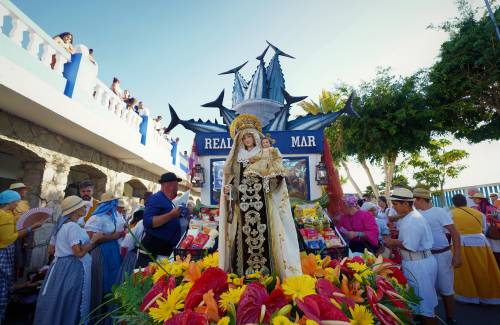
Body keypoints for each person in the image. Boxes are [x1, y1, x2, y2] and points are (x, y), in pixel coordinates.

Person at [219, 114, 302, 278]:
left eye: (249, 136)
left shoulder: (266, 155)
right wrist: (229, 191)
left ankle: (270, 276)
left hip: (264, 208)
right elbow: (233, 184)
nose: (247, 139)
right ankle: (243, 277)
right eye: (244, 137)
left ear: (255, 137)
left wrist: (271, 181)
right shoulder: (237, 161)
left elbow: (278, 177)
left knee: (268, 239)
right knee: (241, 241)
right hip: (242, 212)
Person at [34, 196, 103, 325]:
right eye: (82, 206)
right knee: (69, 300)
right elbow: (79, 253)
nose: (85, 208)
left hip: (59, 267)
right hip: (72, 268)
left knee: (57, 299)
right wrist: (94, 240)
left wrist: (63, 249)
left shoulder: (62, 225)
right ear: (75, 210)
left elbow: (51, 250)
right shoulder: (72, 227)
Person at [383, 188, 438, 325]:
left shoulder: (413, 220)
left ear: (406, 204)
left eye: (395, 204)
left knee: (425, 306)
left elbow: (409, 245)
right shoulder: (410, 217)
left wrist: (392, 242)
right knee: (419, 302)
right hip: (416, 262)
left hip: (419, 264)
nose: (394, 208)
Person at [413, 188, 462, 324]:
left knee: (446, 288)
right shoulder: (416, 214)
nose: (413, 203)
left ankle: (450, 317)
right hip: (425, 257)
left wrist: (457, 255)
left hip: (442, 255)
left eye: (414, 200)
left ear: (421, 200)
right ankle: (428, 316)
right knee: (427, 289)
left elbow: (455, 233)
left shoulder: (439, 212)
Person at [0, 190, 42, 323]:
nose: (18, 204)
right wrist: (31, 228)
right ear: (10, 202)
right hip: (3, 253)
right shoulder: (4, 216)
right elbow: (9, 238)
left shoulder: (7, 213)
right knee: (3, 282)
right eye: (16, 201)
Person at [450, 194, 500, 305]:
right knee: (482, 269)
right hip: (480, 243)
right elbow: (484, 228)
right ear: (465, 202)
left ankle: (468, 296)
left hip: (460, 244)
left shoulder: (450, 214)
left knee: (464, 272)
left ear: (454, 203)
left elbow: (449, 231)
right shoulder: (479, 213)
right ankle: (488, 296)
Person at [84, 194, 125, 323]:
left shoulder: (111, 217)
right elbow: (92, 237)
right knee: (101, 280)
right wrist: (113, 237)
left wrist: (115, 236)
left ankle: (108, 315)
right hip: (101, 252)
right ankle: (97, 315)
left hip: (112, 251)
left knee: (112, 280)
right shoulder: (96, 218)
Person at [135, 172, 183, 268]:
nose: (177, 187)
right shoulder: (156, 199)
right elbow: (148, 222)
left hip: (164, 249)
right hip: (153, 250)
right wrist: (171, 215)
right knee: (148, 279)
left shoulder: (168, 201)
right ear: (170, 185)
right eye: (176, 184)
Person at [470, 192, 500, 265]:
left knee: (496, 249)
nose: (473, 200)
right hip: (487, 231)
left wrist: (490, 218)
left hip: (492, 231)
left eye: (474, 199)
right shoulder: (479, 208)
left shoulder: (490, 208)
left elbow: (498, 218)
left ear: (479, 199)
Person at [9, 183, 31, 278]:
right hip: (15, 231)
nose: (25, 191)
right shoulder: (10, 203)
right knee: (15, 256)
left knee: (23, 254)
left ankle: (17, 277)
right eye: (23, 189)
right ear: (17, 191)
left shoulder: (25, 203)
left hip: (26, 231)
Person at [117, 209, 144, 284]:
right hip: (144, 256)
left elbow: (126, 243)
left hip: (134, 255)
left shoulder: (142, 223)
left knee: (128, 279)